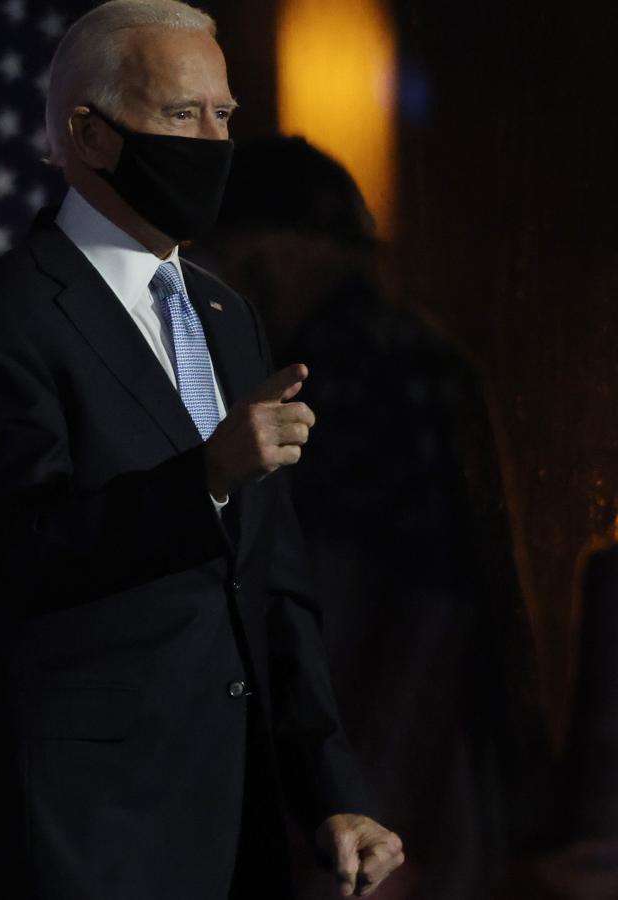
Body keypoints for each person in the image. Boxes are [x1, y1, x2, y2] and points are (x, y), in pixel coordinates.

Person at [0, 2, 404, 897]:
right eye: (182, 115)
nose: (213, 143)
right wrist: (206, 476)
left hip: (237, 824)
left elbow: (272, 579)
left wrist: (331, 789)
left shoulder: (225, 314)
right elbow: (18, 549)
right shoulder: (0, 316)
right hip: (83, 835)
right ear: (89, 134)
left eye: (223, 115)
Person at [200, 136, 551, 899]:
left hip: (372, 759)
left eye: (230, 260)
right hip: (445, 757)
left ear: (274, 254)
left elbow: (340, 600)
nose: (222, 287)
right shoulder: (428, 360)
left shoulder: (329, 374)